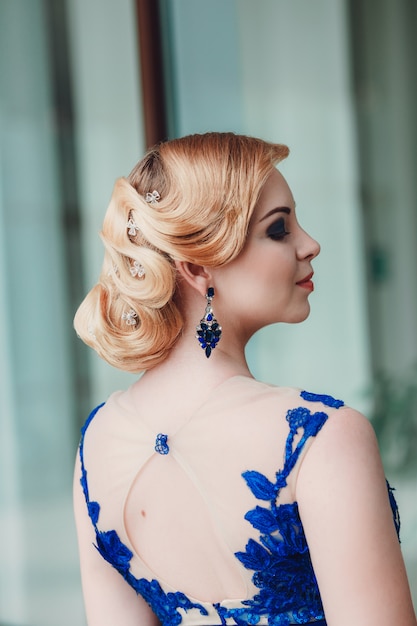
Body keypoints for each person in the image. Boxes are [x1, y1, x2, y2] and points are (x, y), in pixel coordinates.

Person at [73, 132, 416, 626]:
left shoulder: (96, 446)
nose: (311, 244)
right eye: (279, 229)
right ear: (196, 267)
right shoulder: (320, 437)